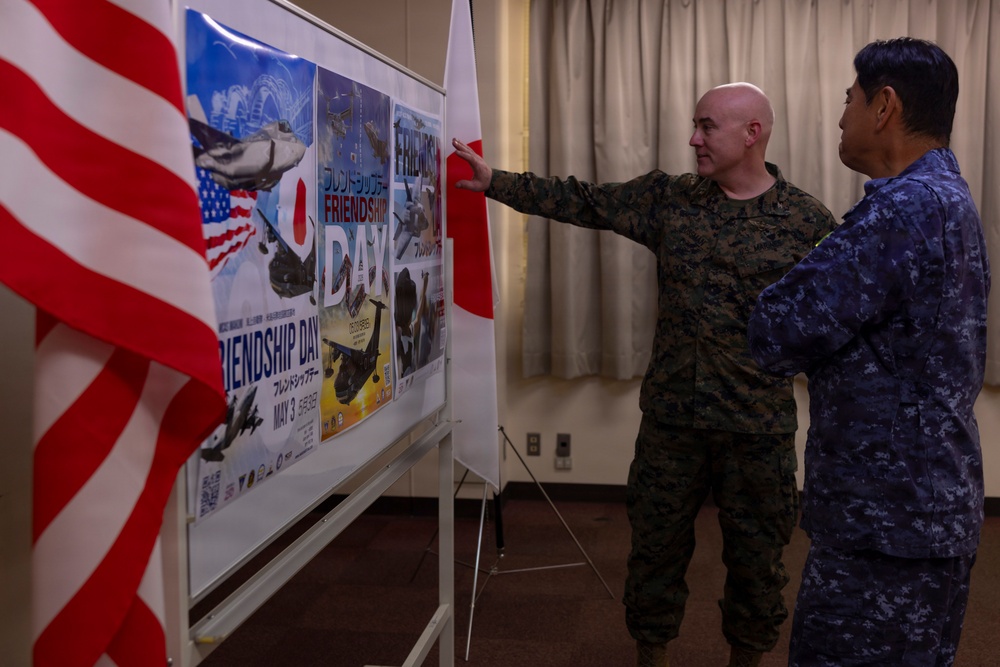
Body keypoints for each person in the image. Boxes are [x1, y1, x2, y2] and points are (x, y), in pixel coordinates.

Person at [453, 82, 837, 667]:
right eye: (695, 124)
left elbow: (839, 319)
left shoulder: (805, 222)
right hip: (671, 425)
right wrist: (496, 183)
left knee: (758, 568)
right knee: (654, 556)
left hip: (756, 430)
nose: (694, 138)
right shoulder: (671, 199)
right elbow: (584, 200)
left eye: (707, 126)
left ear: (751, 133)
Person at [747, 38, 990, 666]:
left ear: (884, 106)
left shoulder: (903, 210)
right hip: (921, 506)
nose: (840, 115)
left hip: (886, 518)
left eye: (849, 99)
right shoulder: (949, 198)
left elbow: (776, 331)